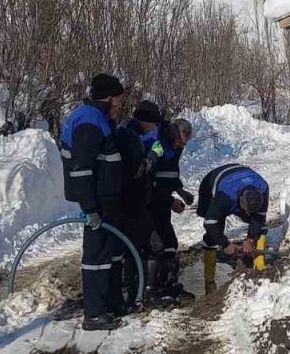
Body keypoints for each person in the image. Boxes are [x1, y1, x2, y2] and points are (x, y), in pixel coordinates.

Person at [60, 73, 127, 331]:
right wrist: (90, 209)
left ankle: (108, 304)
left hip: (105, 198)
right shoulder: (88, 121)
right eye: (118, 100)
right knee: (96, 255)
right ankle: (95, 313)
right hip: (97, 200)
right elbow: (81, 169)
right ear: (109, 98)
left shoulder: (97, 117)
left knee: (108, 253)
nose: (120, 105)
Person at [135, 101, 195, 303]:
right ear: (175, 135)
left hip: (161, 203)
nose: (182, 146)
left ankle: (167, 286)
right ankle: (151, 291)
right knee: (157, 245)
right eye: (181, 142)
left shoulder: (173, 148)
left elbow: (169, 175)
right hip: (148, 204)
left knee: (169, 243)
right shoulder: (158, 144)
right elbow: (150, 181)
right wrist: (170, 200)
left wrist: (180, 190)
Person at [112, 102, 155, 312]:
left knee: (130, 245)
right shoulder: (129, 136)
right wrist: (152, 158)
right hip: (131, 201)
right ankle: (134, 293)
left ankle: (131, 291)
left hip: (128, 200)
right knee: (134, 246)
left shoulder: (126, 130)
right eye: (152, 124)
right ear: (146, 121)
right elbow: (137, 169)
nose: (153, 128)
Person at [196, 163, 269, 282]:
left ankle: (259, 264)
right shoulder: (225, 196)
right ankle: (209, 277)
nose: (247, 213)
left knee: (260, 224)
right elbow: (210, 223)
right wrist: (225, 244)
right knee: (214, 227)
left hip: (241, 177)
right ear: (240, 201)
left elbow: (259, 218)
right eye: (245, 210)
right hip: (213, 181)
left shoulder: (263, 187)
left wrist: (250, 239)